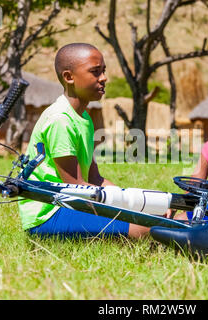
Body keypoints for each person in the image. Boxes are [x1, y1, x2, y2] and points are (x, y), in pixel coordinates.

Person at [18, 43, 149, 239]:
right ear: (69, 77)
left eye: (103, 71)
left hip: (71, 203)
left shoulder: (84, 118)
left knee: (150, 216)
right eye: (95, 72)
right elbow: (76, 187)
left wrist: (137, 202)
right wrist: (130, 210)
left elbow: (95, 179)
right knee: (147, 228)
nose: (104, 78)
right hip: (50, 214)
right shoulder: (60, 120)